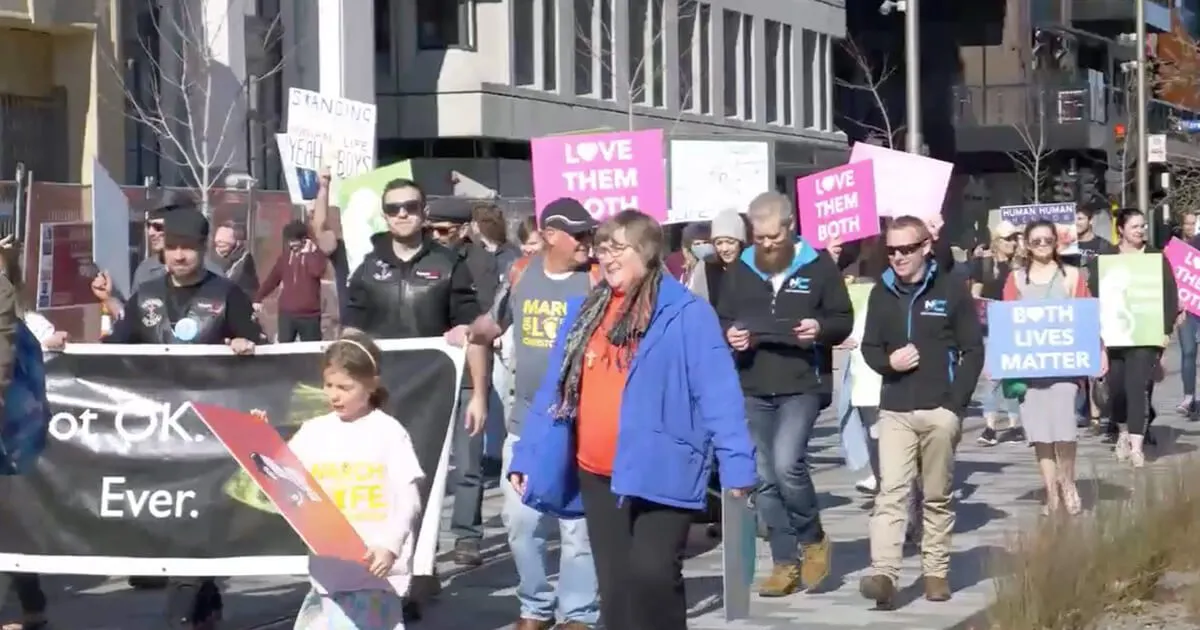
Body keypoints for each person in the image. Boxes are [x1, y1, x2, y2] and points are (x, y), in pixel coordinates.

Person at [507, 208, 758, 630]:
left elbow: (719, 394)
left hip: (663, 468)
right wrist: (527, 456)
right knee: (617, 587)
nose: (606, 257)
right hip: (598, 472)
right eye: (602, 249)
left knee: (653, 576)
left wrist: (738, 466)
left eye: (617, 248)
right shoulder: (584, 312)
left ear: (646, 251)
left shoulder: (686, 314)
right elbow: (553, 391)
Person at [102, 205, 260, 629]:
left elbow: (261, 348)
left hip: (211, 433)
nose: (178, 256)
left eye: (187, 248)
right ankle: (205, 606)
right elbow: (116, 349)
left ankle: (182, 614)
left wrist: (246, 344)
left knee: (198, 518)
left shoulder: (227, 294)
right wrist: (69, 351)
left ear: (203, 248)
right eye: (171, 247)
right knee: (175, 521)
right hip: (161, 431)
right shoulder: (146, 296)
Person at [341, 178, 489, 620]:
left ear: (424, 213)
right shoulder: (367, 268)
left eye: (410, 207)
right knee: (384, 485)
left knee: (424, 482)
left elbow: (475, 332)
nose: (402, 214)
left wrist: (479, 394)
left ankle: (419, 569)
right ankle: (388, 576)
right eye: (393, 208)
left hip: (435, 395)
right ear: (384, 216)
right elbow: (350, 334)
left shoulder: (449, 264)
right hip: (382, 395)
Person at [716, 192, 853, 597]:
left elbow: (842, 318)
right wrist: (731, 334)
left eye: (773, 237)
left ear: (790, 227)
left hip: (802, 382)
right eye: (759, 239)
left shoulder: (818, 264)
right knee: (763, 477)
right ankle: (783, 562)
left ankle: (813, 540)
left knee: (787, 463)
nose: (767, 245)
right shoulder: (740, 270)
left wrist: (820, 328)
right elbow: (723, 315)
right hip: (754, 383)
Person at [478, 198, 603, 630]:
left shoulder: (597, 279)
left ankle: (578, 613)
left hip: (581, 425)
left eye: (591, 233)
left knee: (577, 528)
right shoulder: (520, 273)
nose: (589, 242)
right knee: (519, 521)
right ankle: (534, 605)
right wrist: (468, 336)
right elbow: (490, 326)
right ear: (550, 235)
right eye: (579, 234)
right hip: (526, 423)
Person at [858, 215, 984, 608]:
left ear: (926, 246)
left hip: (938, 411)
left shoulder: (951, 290)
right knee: (891, 493)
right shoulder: (881, 292)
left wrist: (954, 407)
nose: (897, 257)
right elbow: (869, 347)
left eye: (906, 249)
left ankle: (935, 571)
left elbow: (973, 351)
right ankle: (884, 575)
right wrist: (888, 363)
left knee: (936, 495)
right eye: (891, 250)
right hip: (895, 409)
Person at [261, 331, 422, 629]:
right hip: (329, 574)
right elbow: (281, 476)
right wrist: (260, 439)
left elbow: (408, 497)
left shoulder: (389, 432)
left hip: (374, 575)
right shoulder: (314, 430)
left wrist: (391, 544)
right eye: (329, 385)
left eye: (345, 387)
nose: (334, 395)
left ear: (371, 385)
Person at [1003, 220, 1099, 515]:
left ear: (1056, 242)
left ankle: (1068, 484)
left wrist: (1098, 351)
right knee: (1040, 435)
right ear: (1027, 245)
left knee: (1064, 430)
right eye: (1036, 241)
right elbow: (1006, 321)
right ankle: (1051, 493)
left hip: (1064, 366)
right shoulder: (1016, 279)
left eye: (1047, 240)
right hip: (1029, 369)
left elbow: (1085, 317)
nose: (1042, 245)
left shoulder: (1071, 276)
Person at [1095, 208, 1178, 467]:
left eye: (1143, 226)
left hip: (1145, 335)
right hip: (1114, 335)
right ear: (1121, 229)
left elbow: (1169, 296)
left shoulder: (1156, 257)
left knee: (1137, 387)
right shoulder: (1107, 258)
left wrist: (1165, 331)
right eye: (1135, 226)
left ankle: (1136, 446)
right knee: (1117, 389)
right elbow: (1096, 297)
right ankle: (1121, 431)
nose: (1141, 230)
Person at [0, 244, 52, 630]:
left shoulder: (4, 294)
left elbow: (5, 347)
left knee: (11, 510)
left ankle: (29, 604)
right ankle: (32, 602)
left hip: (13, 415)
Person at [91, 194, 225, 319]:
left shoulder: (212, 274)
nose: (151, 232)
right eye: (148, 226)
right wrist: (109, 298)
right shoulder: (146, 270)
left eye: (158, 227)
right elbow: (135, 321)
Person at [971, 221, 1025, 446]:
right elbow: (975, 296)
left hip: (1014, 326)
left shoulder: (1021, 266)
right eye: (1008, 239)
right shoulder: (983, 263)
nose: (1012, 243)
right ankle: (990, 427)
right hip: (990, 327)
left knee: (1012, 376)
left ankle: (1015, 426)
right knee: (991, 378)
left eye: (1015, 238)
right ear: (997, 241)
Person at [253, 220, 328, 342]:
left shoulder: (317, 255)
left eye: (294, 240)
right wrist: (258, 297)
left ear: (304, 239)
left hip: (310, 316)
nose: (291, 244)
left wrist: (309, 253)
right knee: (284, 351)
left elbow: (317, 271)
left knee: (310, 353)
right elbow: (272, 279)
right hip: (287, 315)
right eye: (289, 241)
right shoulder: (285, 258)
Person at [686, 209, 745, 304]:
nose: (724, 248)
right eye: (719, 243)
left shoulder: (752, 265)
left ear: (740, 243)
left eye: (730, 242)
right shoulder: (705, 266)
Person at [210, 221, 259, 298]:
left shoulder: (244, 260)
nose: (219, 248)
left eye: (224, 244)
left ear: (238, 242)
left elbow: (229, 281)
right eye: (217, 244)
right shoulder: (212, 259)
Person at [677, 223, 711, 287]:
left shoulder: (712, 271)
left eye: (705, 243)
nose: (702, 247)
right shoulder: (685, 276)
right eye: (698, 244)